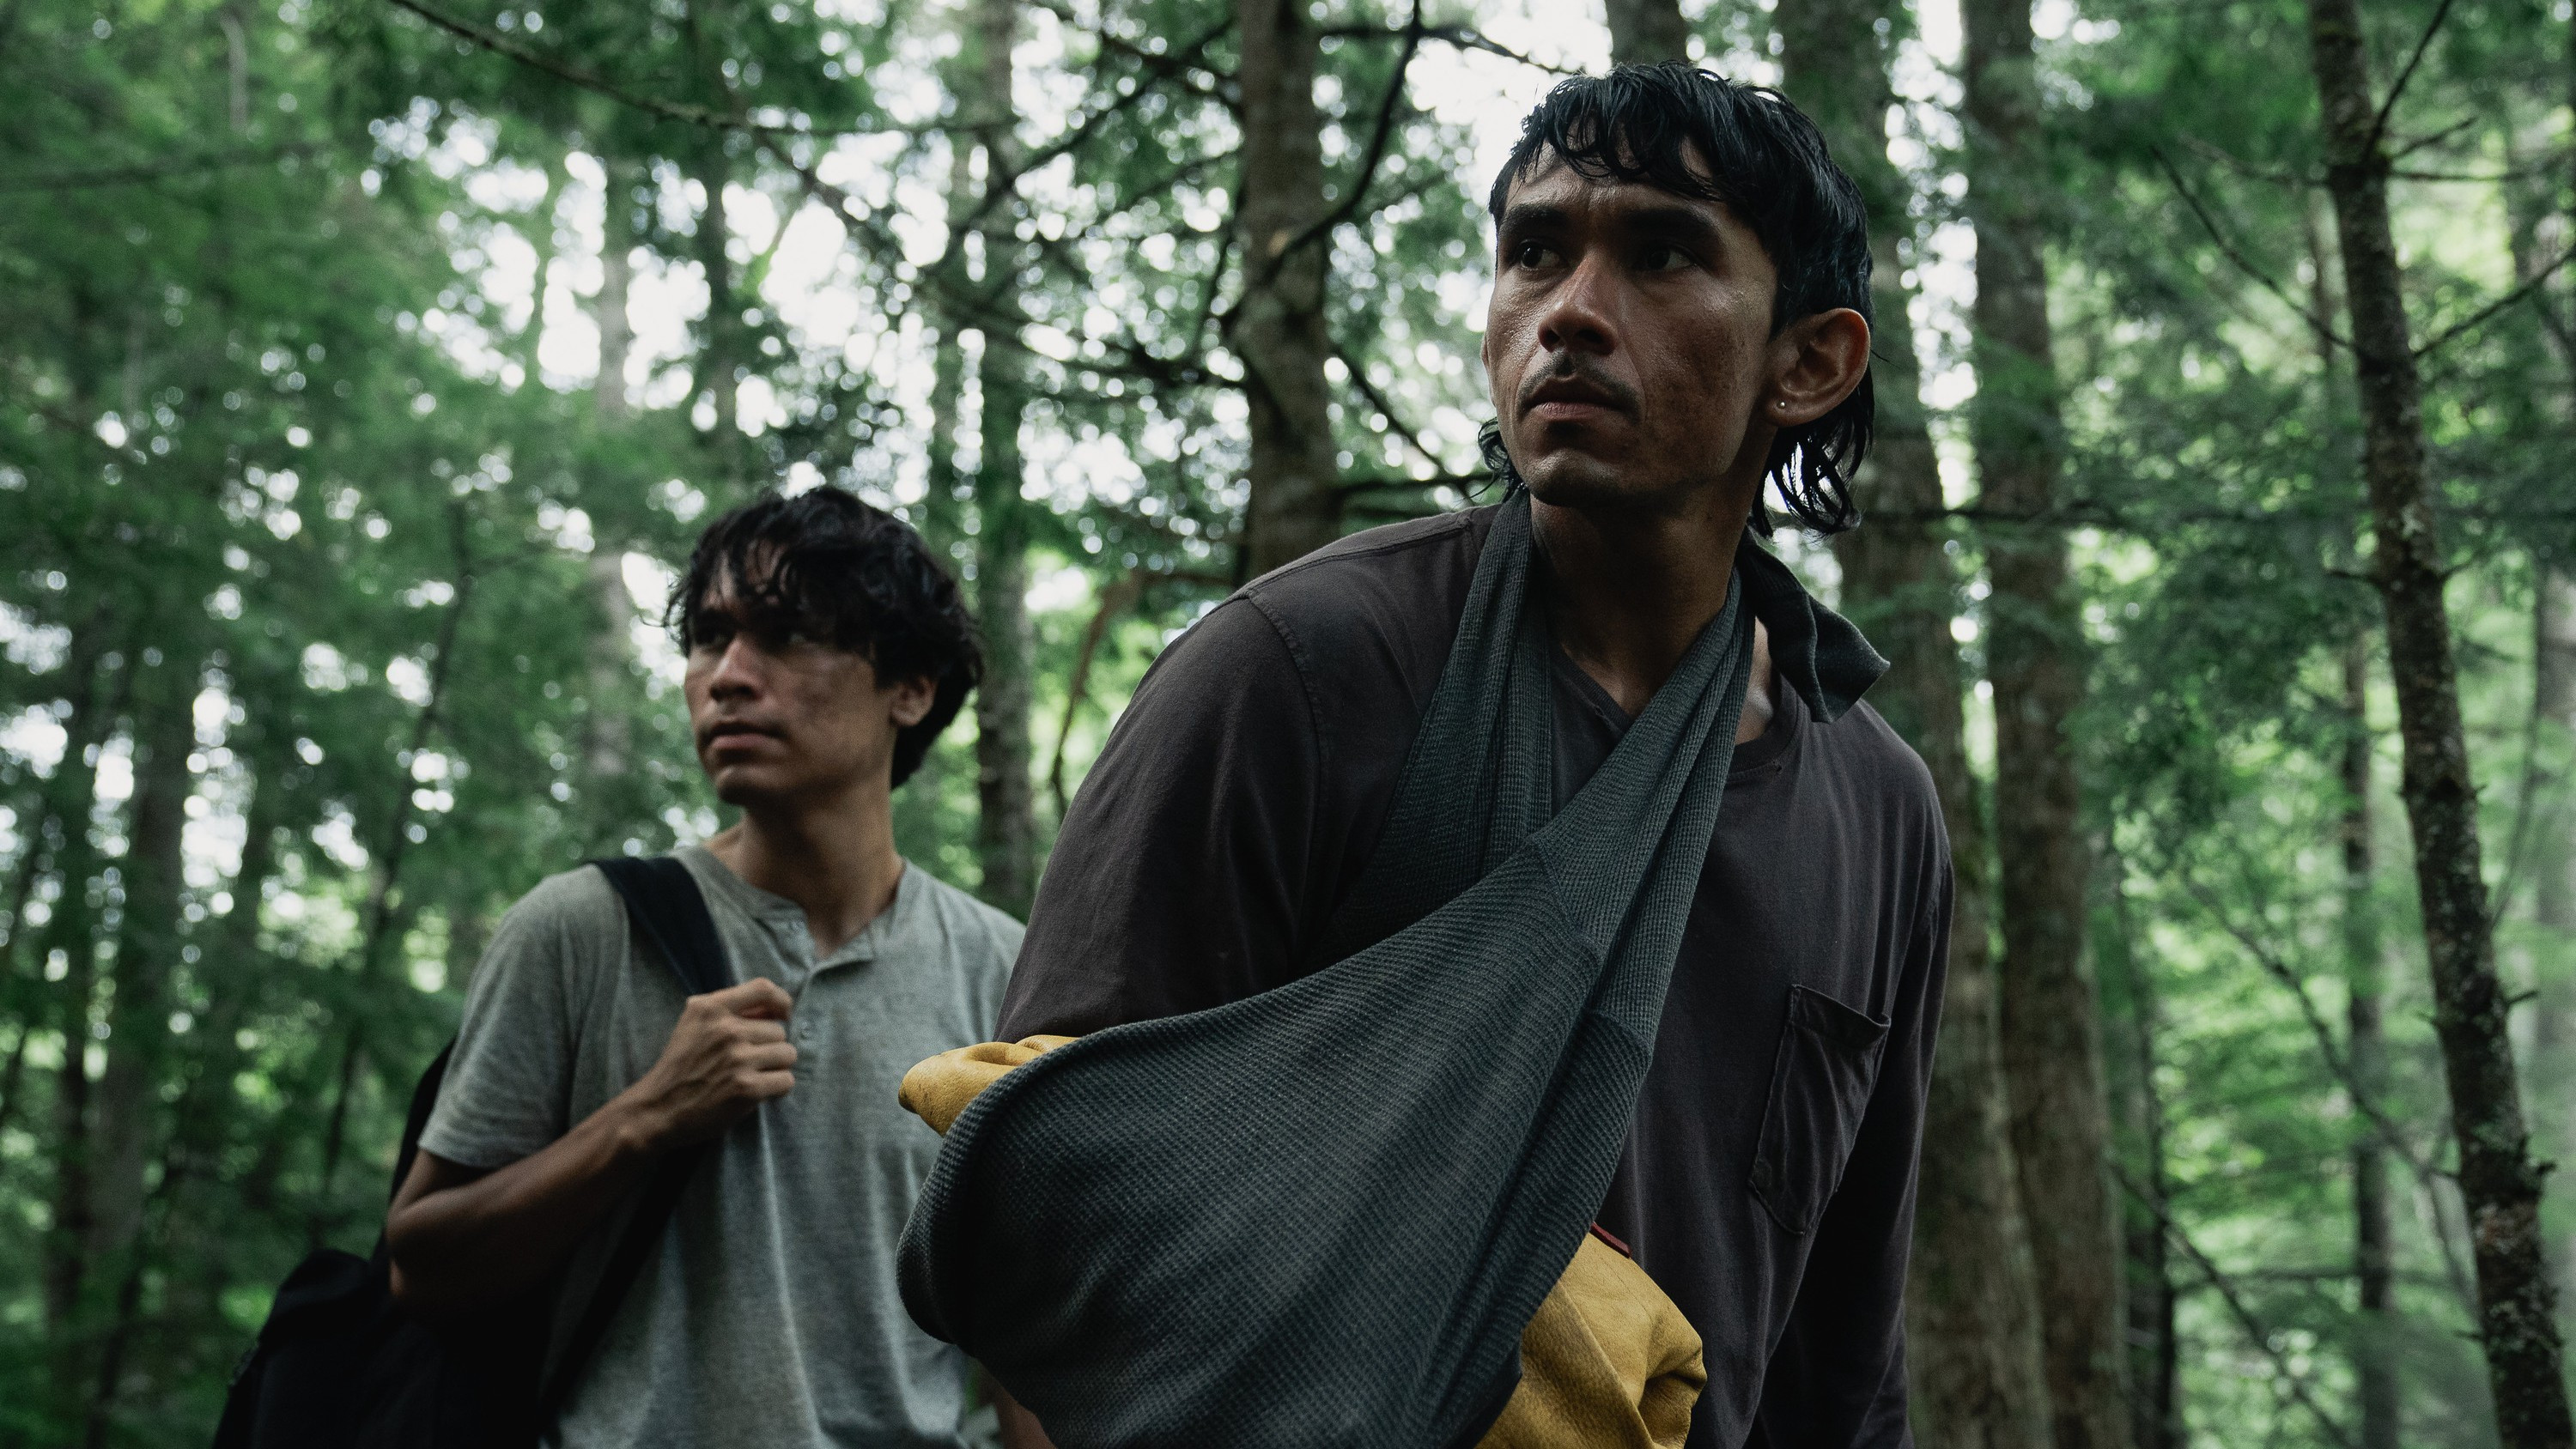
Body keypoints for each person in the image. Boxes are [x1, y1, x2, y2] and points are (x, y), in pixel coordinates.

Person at [993, 64, 1944, 1449]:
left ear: (1811, 362)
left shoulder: (1877, 809)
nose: (1571, 311)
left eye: (1662, 254)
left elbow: (1845, 1358)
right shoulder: (1301, 675)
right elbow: (1043, 1198)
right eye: (1535, 252)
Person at [385, 488, 1029, 1448]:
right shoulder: (581, 931)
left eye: (787, 635)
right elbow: (421, 1265)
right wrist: (644, 1118)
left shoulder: (1003, 970)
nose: (728, 676)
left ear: (911, 686)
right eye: (709, 637)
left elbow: (1030, 1326)